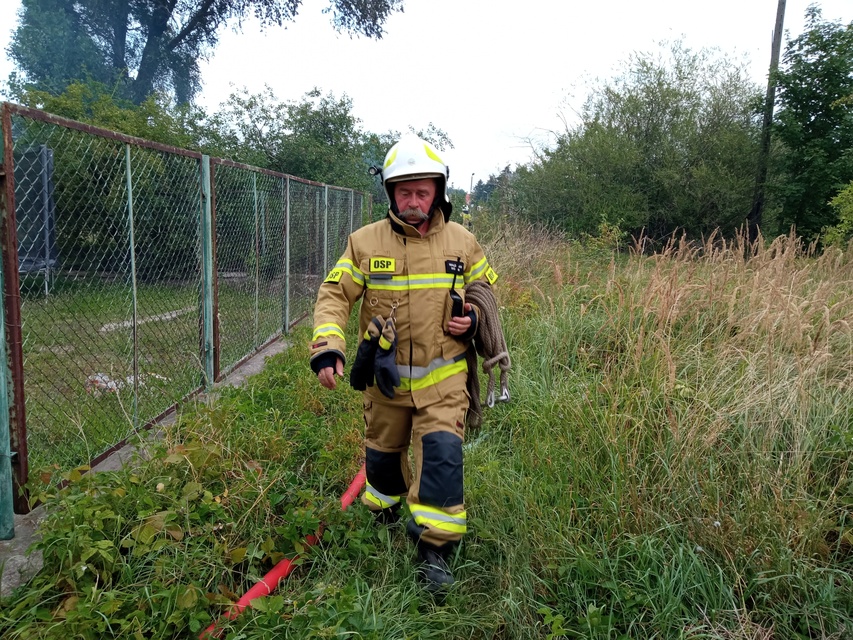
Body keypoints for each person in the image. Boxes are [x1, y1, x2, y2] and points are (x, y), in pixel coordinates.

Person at [309, 134, 498, 591]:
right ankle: (384, 511)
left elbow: (486, 294)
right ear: (391, 194)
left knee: (441, 458)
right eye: (404, 192)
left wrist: (472, 319)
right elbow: (335, 295)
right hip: (385, 381)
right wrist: (327, 346)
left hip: (445, 379)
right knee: (382, 455)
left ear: (438, 191)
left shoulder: (463, 242)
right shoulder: (363, 242)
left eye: (422, 192)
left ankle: (434, 551)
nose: (413, 202)